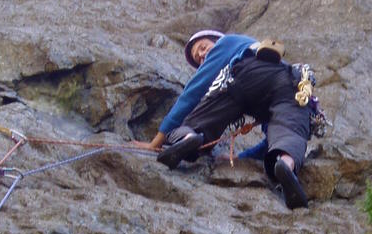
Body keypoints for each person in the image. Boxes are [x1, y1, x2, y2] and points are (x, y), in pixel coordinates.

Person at [133, 29, 312, 209]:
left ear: (216, 40)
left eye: (203, 48)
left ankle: (188, 137)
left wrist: (155, 143)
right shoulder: (260, 52)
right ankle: (286, 164)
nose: (203, 56)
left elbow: (192, 93)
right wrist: (241, 157)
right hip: (291, 82)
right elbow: (270, 141)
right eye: (199, 59)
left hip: (245, 73)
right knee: (290, 128)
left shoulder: (226, 42)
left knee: (201, 119)